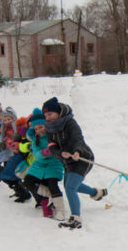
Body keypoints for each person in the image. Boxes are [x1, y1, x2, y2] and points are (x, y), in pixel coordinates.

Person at [42, 97, 107, 230]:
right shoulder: (49, 128)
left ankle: (76, 218)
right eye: (45, 115)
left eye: (50, 114)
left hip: (83, 158)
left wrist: (77, 151)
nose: (47, 117)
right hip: (67, 161)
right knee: (72, 186)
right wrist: (60, 154)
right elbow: (52, 147)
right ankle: (96, 193)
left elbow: (78, 138)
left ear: (58, 112)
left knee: (70, 187)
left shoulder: (70, 122)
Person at [24, 114, 66, 220]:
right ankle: (51, 195)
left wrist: (54, 150)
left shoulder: (53, 135)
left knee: (52, 183)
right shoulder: (35, 138)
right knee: (28, 181)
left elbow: (60, 149)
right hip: (39, 164)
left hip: (54, 163)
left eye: (41, 127)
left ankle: (61, 210)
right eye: (36, 128)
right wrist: (44, 152)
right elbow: (36, 154)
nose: (39, 130)